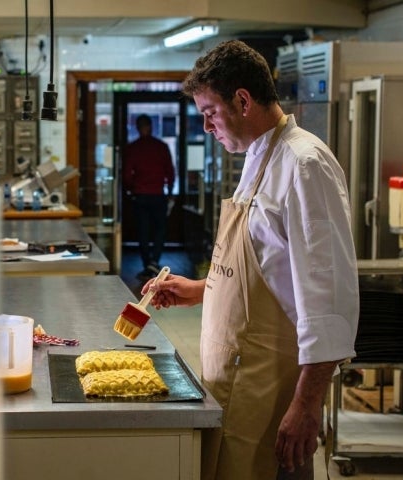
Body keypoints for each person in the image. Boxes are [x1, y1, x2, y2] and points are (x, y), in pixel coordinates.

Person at [143, 40, 359, 480]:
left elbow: (328, 303)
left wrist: (306, 404)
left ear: (242, 100)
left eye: (209, 112)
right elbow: (271, 272)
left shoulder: (304, 165)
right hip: (234, 382)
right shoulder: (258, 157)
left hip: (274, 394)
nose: (205, 126)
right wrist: (201, 290)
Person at [123, 114, 175, 278]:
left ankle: (147, 265)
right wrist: (170, 191)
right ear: (151, 126)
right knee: (160, 230)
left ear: (137, 128)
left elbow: (126, 175)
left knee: (143, 231)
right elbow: (170, 172)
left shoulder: (133, 148)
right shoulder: (161, 147)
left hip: (140, 195)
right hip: (158, 194)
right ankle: (154, 262)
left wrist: (131, 189)